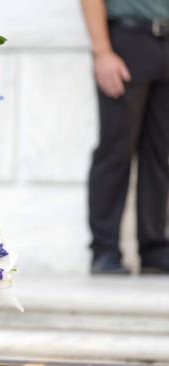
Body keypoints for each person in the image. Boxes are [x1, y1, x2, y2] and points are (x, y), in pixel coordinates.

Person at [81, 0, 169, 274]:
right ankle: (104, 249)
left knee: (160, 151)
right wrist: (102, 52)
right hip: (127, 40)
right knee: (116, 148)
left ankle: (154, 248)